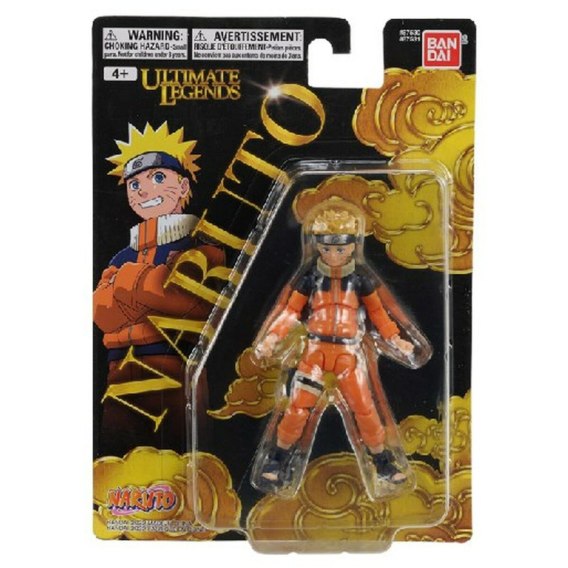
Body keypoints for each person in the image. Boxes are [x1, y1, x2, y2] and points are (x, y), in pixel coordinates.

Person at [254, 204, 414, 487]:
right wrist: (272, 337)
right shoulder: (310, 277)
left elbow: (378, 313)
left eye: (340, 249)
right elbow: (291, 311)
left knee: (365, 409)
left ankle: (383, 462)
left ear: (352, 246)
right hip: (315, 353)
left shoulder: (361, 278)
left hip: (347, 355)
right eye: (326, 248)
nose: (333, 255)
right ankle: (276, 459)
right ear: (318, 245)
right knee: (297, 409)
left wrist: (395, 338)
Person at [93, 122, 224, 453]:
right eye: (134, 184)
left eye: (158, 177)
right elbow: (101, 313)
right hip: (120, 373)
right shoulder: (122, 255)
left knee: (183, 456)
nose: (143, 190)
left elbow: (191, 302)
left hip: (176, 372)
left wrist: (128, 283)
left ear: (183, 186)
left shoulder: (200, 246)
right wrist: (148, 287)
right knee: (117, 459)